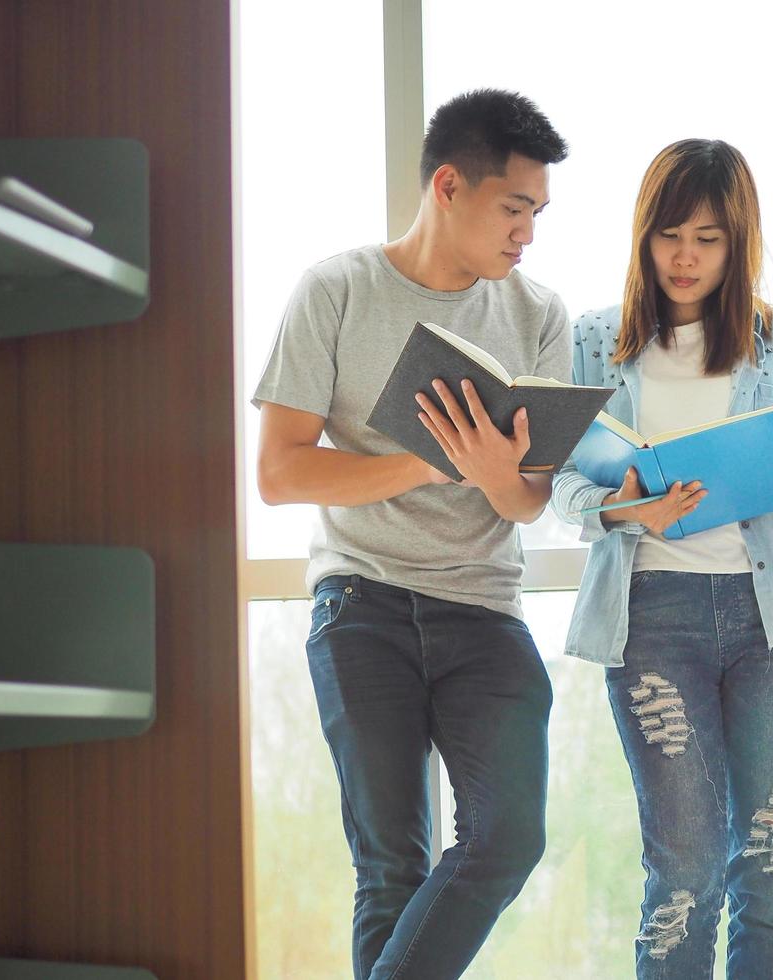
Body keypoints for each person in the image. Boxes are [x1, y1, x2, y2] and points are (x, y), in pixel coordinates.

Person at [251, 88, 568, 980]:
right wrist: (428, 464)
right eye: (515, 209)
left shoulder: (537, 314)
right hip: (361, 602)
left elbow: (527, 503)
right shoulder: (337, 290)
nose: (527, 234)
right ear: (449, 187)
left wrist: (497, 473)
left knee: (508, 837)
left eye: (538, 214)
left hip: (483, 609)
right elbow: (280, 472)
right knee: (389, 868)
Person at [550, 138, 773, 979]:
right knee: (681, 872)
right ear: (644, 236)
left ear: (738, 242)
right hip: (653, 618)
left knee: (769, 862)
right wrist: (621, 504)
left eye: (709, 238)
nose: (685, 256)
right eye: (670, 234)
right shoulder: (595, 339)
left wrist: (742, 475)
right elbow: (561, 480)